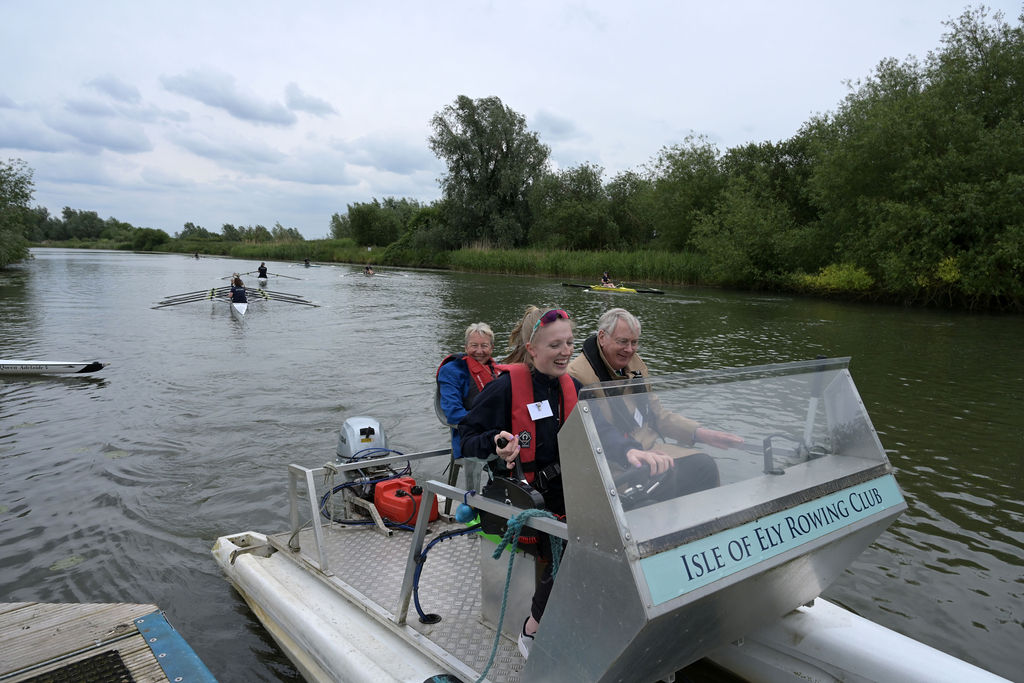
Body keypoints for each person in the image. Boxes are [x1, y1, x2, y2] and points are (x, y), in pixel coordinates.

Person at [460, 308, 671, 658]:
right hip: (522, 498)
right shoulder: (504, 388)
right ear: (533, 349)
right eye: (555, 344)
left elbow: (600, 432)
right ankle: (533, 630)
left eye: (569, 343)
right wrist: (494, 442)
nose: (564, 352)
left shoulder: (570, 387)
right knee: (584, 537)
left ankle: (617, 609)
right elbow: (464, 439)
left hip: (566, 491)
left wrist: (631, 452)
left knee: (635, 515)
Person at [567, 308, 742, 489]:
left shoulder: (636, 365)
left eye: (634, 342)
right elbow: (589, 437)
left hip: (651, 448)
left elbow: (657, 414)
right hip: (614, 462)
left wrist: (700, 433)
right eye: (623, 342)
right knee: (669, 480)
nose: (629, 349)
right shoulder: (576, 376)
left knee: (704, 466)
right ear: (602, 337)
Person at [436, 323, 499, 465]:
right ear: (465, 347)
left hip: (500, 433)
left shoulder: (497, 370)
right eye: (474, 345)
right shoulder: (451, 371)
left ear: (492, 348)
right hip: (470, 439)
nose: (479, 351)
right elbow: (453, 413)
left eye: (484, 346)